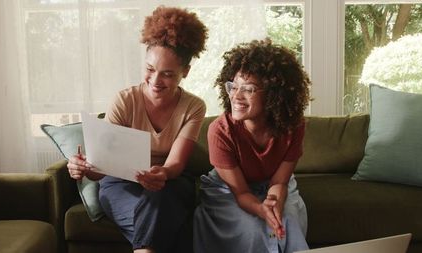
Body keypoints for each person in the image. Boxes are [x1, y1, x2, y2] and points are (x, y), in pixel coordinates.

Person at [67, 6, 208, 253]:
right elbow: (101, 170)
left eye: (167, 74)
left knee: (163, 200)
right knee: (168, 222)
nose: (155, 81)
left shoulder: (193, 107)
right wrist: (84, 167)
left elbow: (175, 165)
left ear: (185, 72)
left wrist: (161, 174)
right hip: (120, 184)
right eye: (150, 69)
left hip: (169, 184)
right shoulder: (124, 100)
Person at [193, 39, 311, 253]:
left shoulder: (294, 126)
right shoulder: (219, 131)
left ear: (274, 94)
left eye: (249, 89)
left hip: (274, 185)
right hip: (230, 189)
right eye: (233, 86)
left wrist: (273, 205)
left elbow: (279, 181)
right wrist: (260, 210)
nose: (236, 96)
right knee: (251, 229)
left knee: (287, 224)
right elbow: (241, 194)